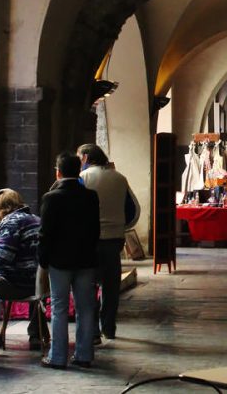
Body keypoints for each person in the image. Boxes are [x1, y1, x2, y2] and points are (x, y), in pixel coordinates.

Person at [38, 152, 100, 369]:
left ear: (58, 172)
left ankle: (57, 356)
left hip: (59, 261)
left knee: (59, 308)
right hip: (85, 260)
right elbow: (95, 230)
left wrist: (43, 260)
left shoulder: (51, 198)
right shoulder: (91, 197)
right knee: (86, 308)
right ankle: (84, 355)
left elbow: (46, 234)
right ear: (79, 171)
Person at [77, 143, 139, 343]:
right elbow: (133, 209)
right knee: (111, 287)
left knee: (88, 285)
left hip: (89, 240)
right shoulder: (119, 178)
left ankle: (93, 331)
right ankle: (109, 328)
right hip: (114, 239)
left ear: (86, 157)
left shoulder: (83, 179)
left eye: (79, 158)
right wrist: (121, 226)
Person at [0, 189, 45, 350]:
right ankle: (35, 335)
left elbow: (2, 256)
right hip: (40, 282)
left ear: (0, 207)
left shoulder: (12, 221)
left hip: (17, 282)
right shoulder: (36, 220)